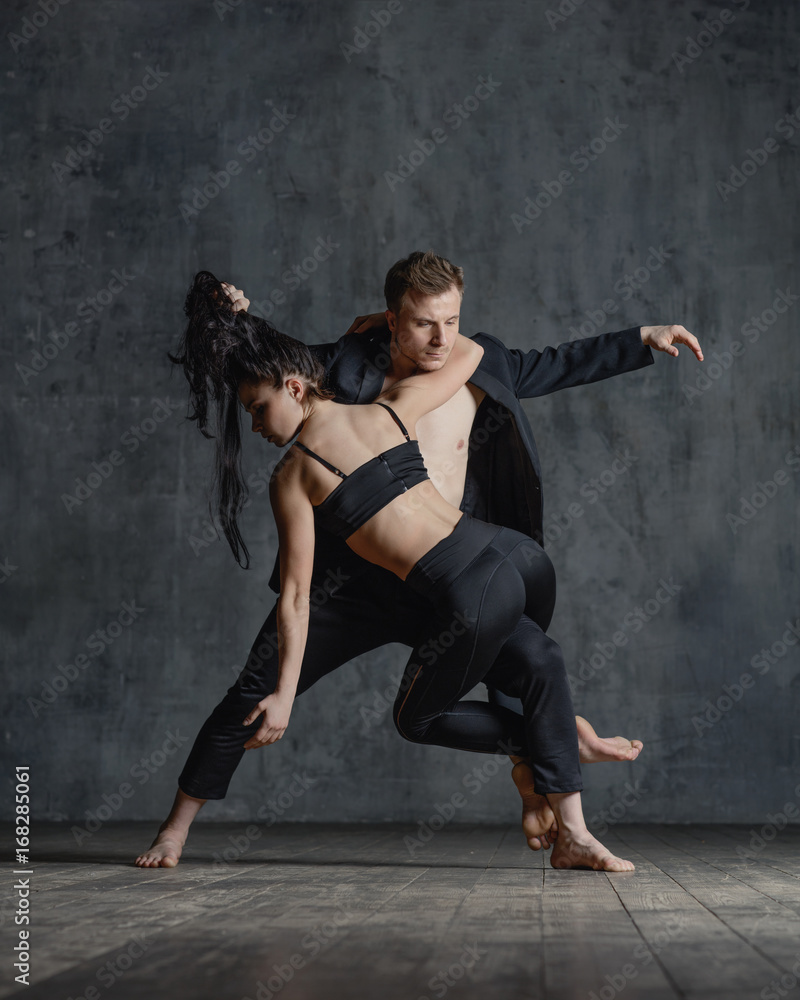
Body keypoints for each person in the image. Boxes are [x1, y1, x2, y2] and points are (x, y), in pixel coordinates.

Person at [136, 251, 701, 869]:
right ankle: (176, 828)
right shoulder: (345, 369)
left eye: (451, 322)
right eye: (424, 324)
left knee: (535, 660)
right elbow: (274, 371)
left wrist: (642, 338)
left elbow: (556, 363)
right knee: (257, 687)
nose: (440, 338)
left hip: (448, 576)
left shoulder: (476, 360)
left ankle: (570, 824)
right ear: (391, 322)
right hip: (351, 583)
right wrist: (231, 311)